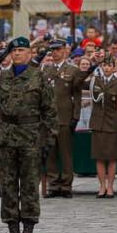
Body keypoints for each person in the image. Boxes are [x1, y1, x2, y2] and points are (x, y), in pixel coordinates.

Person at [0, 37, 57, 233]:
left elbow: (49, 111)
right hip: (7, 136)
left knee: (29, 186)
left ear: (30, 54)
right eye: (14, 51)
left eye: (21, 50)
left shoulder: (39, 77)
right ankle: (12, 232)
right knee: (8, 186)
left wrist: (48, 140)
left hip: (30, 137)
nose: (17, 54)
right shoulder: (1, 76)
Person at [40, 39, 88, 198]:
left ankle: (66, 185)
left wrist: (76, 117)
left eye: (58, 50)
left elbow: (77, 95)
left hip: (65, 116)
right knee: (51, 153)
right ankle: (53, 184)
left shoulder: (72, 70)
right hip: (49, 118)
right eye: (52, 50)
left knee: (66, 153)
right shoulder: (46, 70)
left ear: (65, 51)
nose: (54, 53)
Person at [88, 56, 117, 198]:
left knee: (111, 157)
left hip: (112, 122)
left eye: (110, 65)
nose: (107, 68)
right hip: (98, 122)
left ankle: (110, 186)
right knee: (98, 156)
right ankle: (102, 186)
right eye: (104, 65)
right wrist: (93, 63)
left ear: (114, 67)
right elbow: (82, 82)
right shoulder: (95, 80)